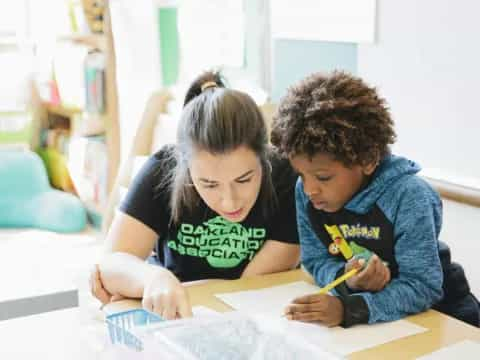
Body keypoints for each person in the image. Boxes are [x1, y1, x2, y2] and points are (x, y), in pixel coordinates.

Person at [271, 71, 479, 327]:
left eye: (323, 177)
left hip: (445, 317)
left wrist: (349, 309)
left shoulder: (408, 196)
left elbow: (423, 286)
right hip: (380, 324)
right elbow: (315, 260)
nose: (309, 189)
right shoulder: (307, 192)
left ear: (368, 159)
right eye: (301, 174)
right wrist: (346, 278)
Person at [91, 71, 300, 319]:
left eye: (244, 179)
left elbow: (248, 290)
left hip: (250, 313)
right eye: (209, 184)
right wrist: (153, 278)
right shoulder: (162, 170)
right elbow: (109, 264)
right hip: (176, 315)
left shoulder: (286, 178)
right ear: (185, 166)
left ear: (264, 157)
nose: (229, 200)